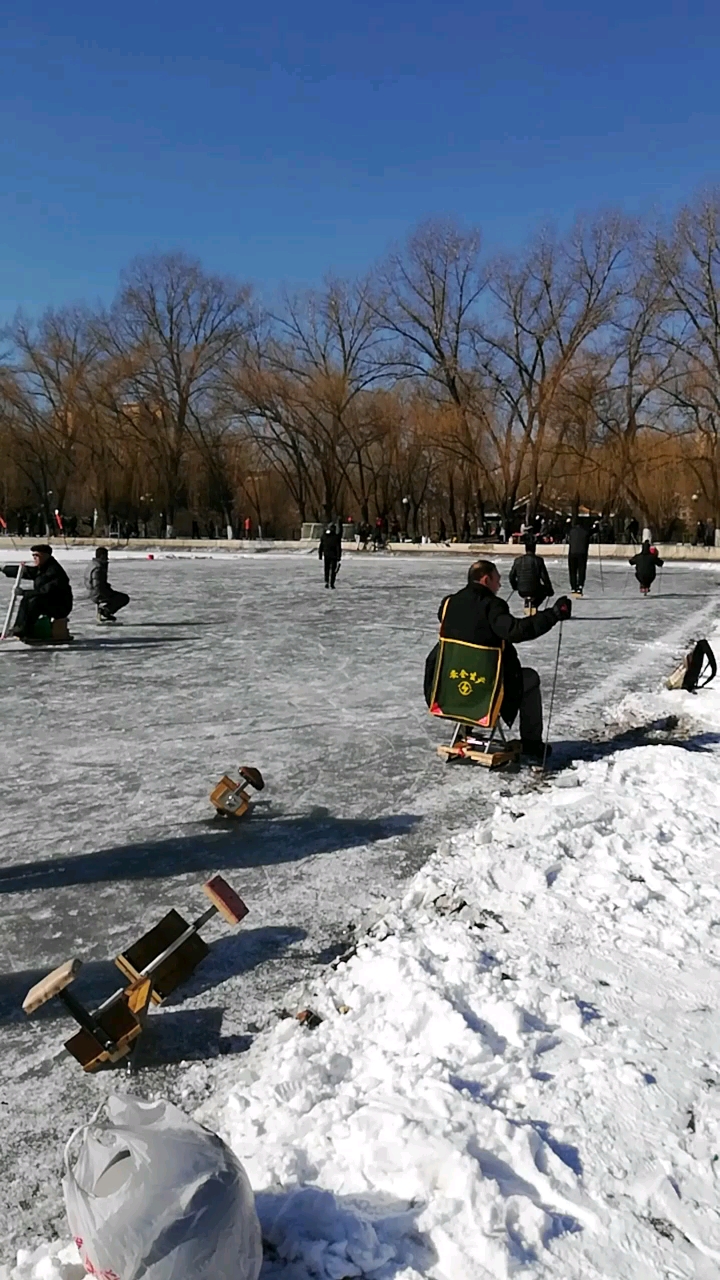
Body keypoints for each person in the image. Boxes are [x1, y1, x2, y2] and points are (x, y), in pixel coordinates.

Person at [434, 559, 571, 760]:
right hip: (488, 690)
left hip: (450, 686)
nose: (499, 586)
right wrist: (553, 615)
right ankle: (532, 743)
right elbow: (516, 631)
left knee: (466, 664)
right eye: (497, 581)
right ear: (486, 579)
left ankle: (465, 729)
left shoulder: (448, 604)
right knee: (530, 678)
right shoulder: (493, 605)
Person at [2, 545, 73, 639]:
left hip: (60, 605)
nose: (34, 558)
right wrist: (3, 569)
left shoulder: (54, 571)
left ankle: (25, 630)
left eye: (37, 555)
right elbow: (27, 571)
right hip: (50, 601)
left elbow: (46, 591)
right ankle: (20, 628)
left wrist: (23, 592)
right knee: (28, 599)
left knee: (35, 601)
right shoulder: (42, 568)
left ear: (46, 555)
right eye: (33, 556)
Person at [508, 535, 554, 612]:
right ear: (535, 549)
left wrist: (515, 586)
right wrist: (549, 589)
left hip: (521, 590)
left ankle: (527, 603)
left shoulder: (518, 560)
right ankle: (534, 604)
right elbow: (544, 577)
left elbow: (511, 576)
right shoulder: (538, 560)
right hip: (535, 589)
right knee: (544, 590)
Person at [85, 547, 130, 622]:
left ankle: (105, 611)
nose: (107, 558)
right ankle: (105, 612)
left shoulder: (93, 565)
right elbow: (97, 585)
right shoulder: (98, 568)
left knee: (118, 596)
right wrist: (106, 592)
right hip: (98, 593)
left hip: (92, 592)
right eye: (106, 555)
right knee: (124, 598)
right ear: (102, 556)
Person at [567, 522, 591, 596]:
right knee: (581, 570)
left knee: (572, 571)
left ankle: (573, 587)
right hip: (582, 553)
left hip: (572, 553)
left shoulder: (571, 531)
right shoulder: (585, 531)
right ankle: (580, 586)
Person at [318, 524, 342, 588]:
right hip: (331, 555)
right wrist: (339, 557)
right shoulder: (335, 537)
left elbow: (321, 546)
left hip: (329, 555)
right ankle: (330, 582)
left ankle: (328, 582)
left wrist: (320, 554)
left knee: (328, 569)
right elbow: (338, 548)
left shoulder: (325, 536)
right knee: (331, 570)